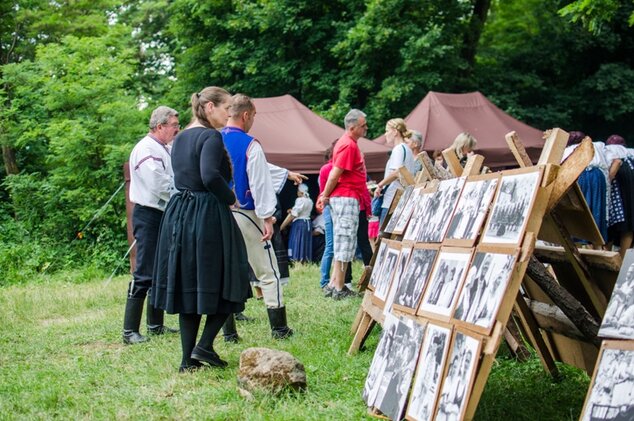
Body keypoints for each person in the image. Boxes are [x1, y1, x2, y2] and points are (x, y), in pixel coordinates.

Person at [150, 87, 252, 372]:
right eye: (225, 108)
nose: (229, 114)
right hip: (206, 214)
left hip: (179, 213)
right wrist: (231, 199)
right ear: (209, 108)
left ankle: (187, 360)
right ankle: (204, 346)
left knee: (189, 286)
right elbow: (209, 176)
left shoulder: (179, 138)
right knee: (229, 278)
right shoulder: (210, 136)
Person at [220, 94, 294, 339]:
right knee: (268, 271)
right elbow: (260, 181)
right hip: (245, 212)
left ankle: (229, 332)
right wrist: (267, 216)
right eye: (252, 117)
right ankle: (279, 328)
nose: (252, 121)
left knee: (225, 271)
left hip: (219, 214)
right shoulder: (250, 144)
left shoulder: (213, 138)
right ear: (245, 115)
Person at [123, 105, 180, 345]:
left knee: (159, 271)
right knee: (145, 271)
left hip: (161, 214)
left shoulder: (161, 148)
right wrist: (182, 193)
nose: (178, 129)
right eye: (174, 125)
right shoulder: (146, 149)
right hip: (149, 214)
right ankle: (129, 331)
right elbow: (158, 183)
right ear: (160, 127)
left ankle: (155, 324)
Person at [317, 109, 368, 299]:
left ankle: (333, 283)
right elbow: (335, 172)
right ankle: (339, 287)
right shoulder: (348, 145)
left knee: (341, 240)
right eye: (363, 126)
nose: (366, 129)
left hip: (344, 196)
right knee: (345, 240)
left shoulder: (345, 142)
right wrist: (325, 194)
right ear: (352, 127)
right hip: (347, 197)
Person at [561, 131, 609, 242]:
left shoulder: (567, 151)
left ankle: (580, 238)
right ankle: (596, 240)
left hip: (578, 175)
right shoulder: (595, 148)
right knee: (596, 208)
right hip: (598, 177)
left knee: (579, 207)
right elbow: (605, 169)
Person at [374, 118, 417, 227]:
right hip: (401, 197)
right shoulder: (407, 149)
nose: (385, 134)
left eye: (387, 130)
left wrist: (380, 185)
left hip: (392, 199)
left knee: (383, 239)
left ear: (395, 131)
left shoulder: (398, 149)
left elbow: (396, 172)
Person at [606, 134, 634, 258]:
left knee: (611, 230)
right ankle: (622, 260)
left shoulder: (614, 158)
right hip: (629, 201)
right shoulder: (630, 160)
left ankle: (613, 259)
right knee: (627, 228)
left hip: (617, 202)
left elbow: (610, 176)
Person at [281, 183, 313, 263]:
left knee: (297, 241)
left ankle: (296, 260)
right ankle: (305, 260)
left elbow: (293, 214)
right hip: (307, 223)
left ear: (300, 192)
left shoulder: (300, 200)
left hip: (299, 224)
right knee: (305, 242)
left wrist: (282, 226)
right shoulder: (310, 201)